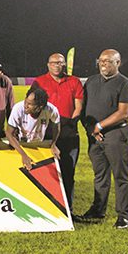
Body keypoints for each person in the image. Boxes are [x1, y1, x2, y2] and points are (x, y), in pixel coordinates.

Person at [77, 49, 128, 228]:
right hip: (94, 135)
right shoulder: (92, 81)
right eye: (101, 60)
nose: (103, 64)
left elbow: (124, 113)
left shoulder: (125, 84)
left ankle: (124, 216)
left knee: (121, 176)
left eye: (109, 61)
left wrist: (100, 126)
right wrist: (90, 128)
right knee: (100, 175)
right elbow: (83, 106)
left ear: (118, 63)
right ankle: (98, 210)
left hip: (116, 135)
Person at [31, 52, 84, 211]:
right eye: (53, 63)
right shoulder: (39, 82)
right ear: (48, 65)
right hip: (45, 135)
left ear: (64, 65)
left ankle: (67, 210)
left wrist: (69, 124)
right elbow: (34, 107)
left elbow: (79, 107)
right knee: (46, 174)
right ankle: (46, 209)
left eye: (60, 63)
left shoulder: (74, 81)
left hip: (68, 134)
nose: (57, 65)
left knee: (68, 173)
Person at [6, 86, 60, 170]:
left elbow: (57, 127)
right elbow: (9, 133)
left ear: (40, 107)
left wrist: (53, 144)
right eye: (25, 101)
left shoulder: (51, 110)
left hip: (39, 145)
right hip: (21, 145)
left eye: (30, 104)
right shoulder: (18, 108)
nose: (25, 106)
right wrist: (23, 155)